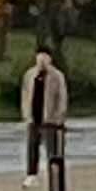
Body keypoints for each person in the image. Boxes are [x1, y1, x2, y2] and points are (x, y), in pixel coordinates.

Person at [20, 41, 69, 181]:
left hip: (50, 119)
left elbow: (62, 97)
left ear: (49, 59)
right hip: (33, 117)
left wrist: (59, 117)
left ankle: (53, 173)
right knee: (32, 147)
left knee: (52, 149)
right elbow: (25, 94)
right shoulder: (30, 75)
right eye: (39, 58)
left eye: (44, 58)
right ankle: (31, 174)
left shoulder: (57, 76)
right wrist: (26, 114)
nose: (41, 61)